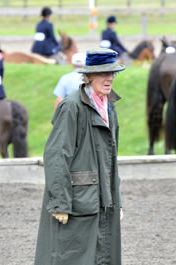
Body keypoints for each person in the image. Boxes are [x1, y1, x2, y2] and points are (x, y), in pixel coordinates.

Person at [35, 48, 125, 265]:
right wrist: (60, 203)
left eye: (112, 73)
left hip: (103, 201)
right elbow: (57, 155)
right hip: (77, 203)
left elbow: (112, 161)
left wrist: (117, 200)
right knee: (70, 257)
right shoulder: (72, 106)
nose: (110, 78)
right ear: (89, 75)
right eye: (104, 73)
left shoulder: (109, 107)